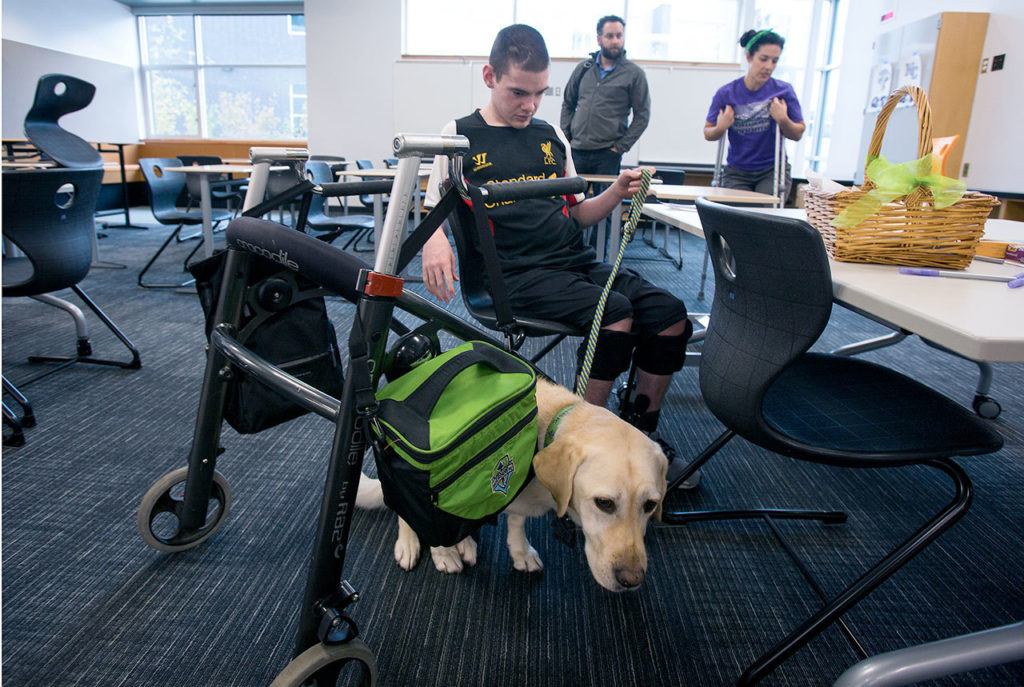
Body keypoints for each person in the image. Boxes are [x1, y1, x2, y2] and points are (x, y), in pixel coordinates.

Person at [421, 24, 696, 484]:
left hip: (572, 264)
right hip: (510, 276)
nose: (530, 105)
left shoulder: (551, 136)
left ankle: (639, 432)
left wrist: (615, 191)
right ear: (489, 76)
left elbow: (579, 215)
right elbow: (432, 207)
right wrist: (434, 241)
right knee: (617, 312)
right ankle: (580, 439)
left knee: (670, 314)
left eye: (539, 94)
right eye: (518, 93)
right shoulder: (460, 134)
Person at [704, 28, 805, 198]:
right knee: (737, 218)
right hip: (737, 171)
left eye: (775, 61)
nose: (769, 66)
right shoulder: (727, 93)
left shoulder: (783, 91)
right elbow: (708, 132)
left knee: (763, 218)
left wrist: (783, 119)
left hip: (771, 170)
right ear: (749, 57)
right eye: (763, 59)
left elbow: (798, 133)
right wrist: (720, 128)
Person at [561, 15, 651, 178]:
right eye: (610, 36)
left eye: (619, 35)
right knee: (572, 201)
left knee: (606, 203)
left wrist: (620, 147)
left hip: (607, 154)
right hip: (577, 151)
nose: (615, 41)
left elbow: (642, 116)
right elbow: (568, 103)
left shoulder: (634, 74)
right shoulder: (584, 68)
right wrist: (567, 138)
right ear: (599, 39)